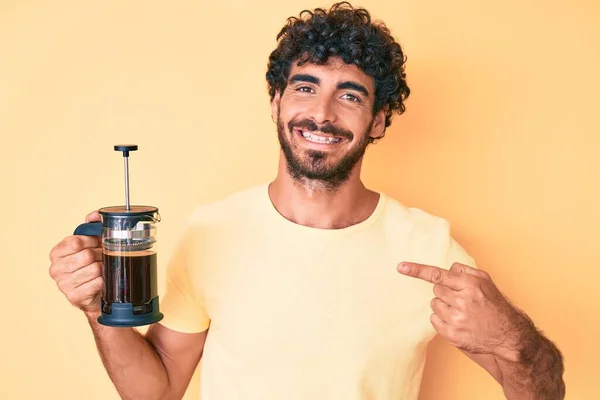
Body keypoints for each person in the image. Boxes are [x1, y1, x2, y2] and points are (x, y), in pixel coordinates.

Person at [48, 2, 565, 399]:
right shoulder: (212, 231)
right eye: (304, 87)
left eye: (350, 95)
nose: (321, 113)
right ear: (276, 101)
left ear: (379, 120)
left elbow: (544, 390)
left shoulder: (429, 247)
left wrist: (512, 338)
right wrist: (98, 308)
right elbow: (156, 390)